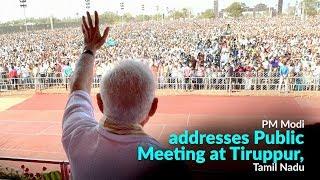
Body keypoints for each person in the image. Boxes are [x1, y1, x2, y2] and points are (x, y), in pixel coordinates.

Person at [61, 11, 189, 180]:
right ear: (153, 107)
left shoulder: (77, 136)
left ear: (100, 103)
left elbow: (78, 86)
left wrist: (90, 48)